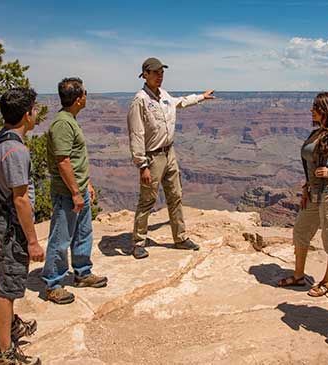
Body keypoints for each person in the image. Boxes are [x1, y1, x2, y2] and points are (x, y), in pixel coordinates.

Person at [127, 57, 215, 259]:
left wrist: (201, 97)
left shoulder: (164, 95)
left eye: (161, 72)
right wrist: (142, 166)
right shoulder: (140, 100)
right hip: (152, 157)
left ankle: (180, 238)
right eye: (155, 72)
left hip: (170, 153)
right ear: (145, 74)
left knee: (175, 195)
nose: (159, 76)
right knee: (147, 199)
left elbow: (180, 102)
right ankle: (138, 242)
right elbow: (136, 134)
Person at [278, 92, 328, 296]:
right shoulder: (317, 132)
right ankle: (298, 276)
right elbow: (310, 164)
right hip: (313, 193)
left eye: (315, 107)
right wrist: (306, 188)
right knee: (300, 232)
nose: (311, 110)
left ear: (326, 111)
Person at [42, 77, 107, 305]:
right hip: (67, 193)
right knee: (61, 238)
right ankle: (53, 284)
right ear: (79, 99)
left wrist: (85, 184)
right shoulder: (62, 124)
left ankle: (82, 272)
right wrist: (75, 192)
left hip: (77, 189)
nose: (87, 96)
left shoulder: (70, 119)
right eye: (85, 93)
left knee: (83, 233)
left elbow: (77, 160)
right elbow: (63, 161)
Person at [0, 87, 44, 365]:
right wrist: (33, 241)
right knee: (7, 289)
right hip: (12, 228)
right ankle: (5, 353)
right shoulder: (15, 150)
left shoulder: (2, 140)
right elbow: (21, 199)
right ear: (27, 114)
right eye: (34, 109)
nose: (36, 113)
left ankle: (11, 328)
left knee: (9, 282)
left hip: (5, 225)